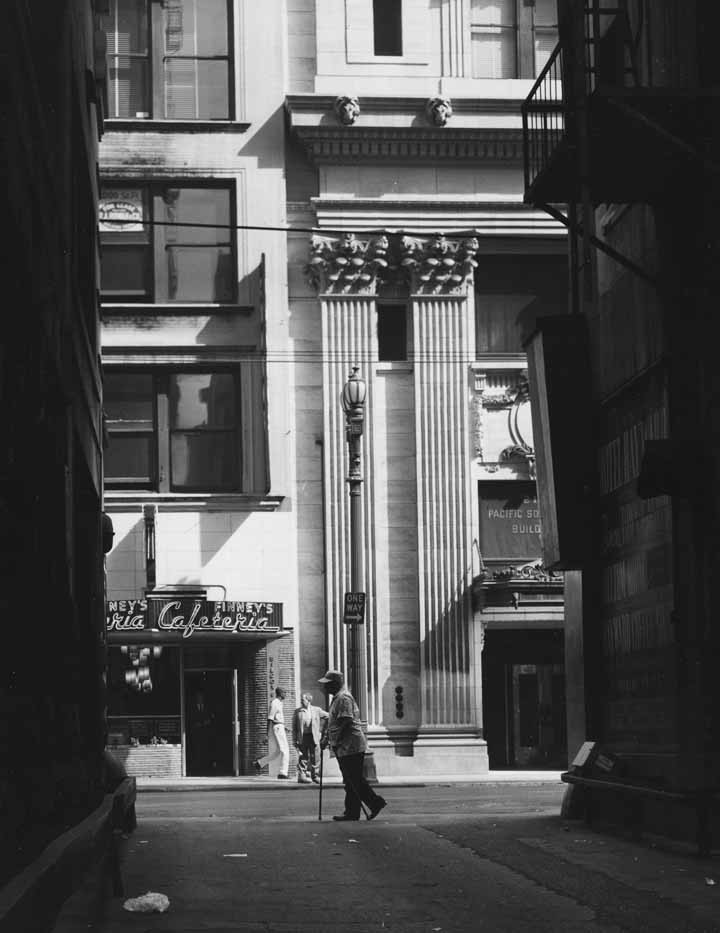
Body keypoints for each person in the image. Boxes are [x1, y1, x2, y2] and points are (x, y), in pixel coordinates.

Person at [318, 670, 386, 821]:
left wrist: (335, 740)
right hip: (346, 746)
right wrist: (328, 739)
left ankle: (365, 807)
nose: (325, 688)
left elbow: (346, 721)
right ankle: (360, 809)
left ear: (335, 684)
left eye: (327, 684)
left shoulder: (343, 698)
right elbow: (334, 722)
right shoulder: (337, 698)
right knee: (352, 780)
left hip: (351, 745)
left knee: (352, 780)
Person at [292, 693, 328, 784]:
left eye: (303, 699)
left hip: (314, 737)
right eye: (301, 700)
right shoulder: (297, 712)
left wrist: (322, 730)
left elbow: (329, 716)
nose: (301, 701)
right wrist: (294, 740)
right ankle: (302, 776)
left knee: (315, 757)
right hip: (303, 737)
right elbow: (294, 728)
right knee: (303, 757)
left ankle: (315, 776)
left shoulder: (316, 710)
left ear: (308, 701)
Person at [254, 686, 289, 779]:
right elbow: (270, 718)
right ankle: (283, 773)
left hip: (280, 726)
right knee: (285, 750)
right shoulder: (275, 703)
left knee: (278, 752)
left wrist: (284, 727)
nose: (285, 694)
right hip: (277, 728)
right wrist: (267, 734)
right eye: (284, 692)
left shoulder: (280, 703)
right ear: (280, 693)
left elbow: (277, 719)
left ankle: (260, 763)